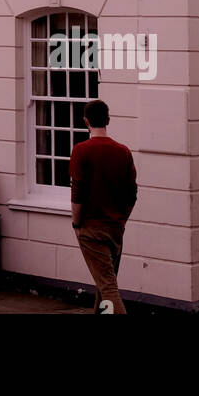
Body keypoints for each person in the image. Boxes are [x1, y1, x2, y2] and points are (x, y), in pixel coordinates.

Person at [70, 99, 138, 314]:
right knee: (104, 283)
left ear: (85, 121)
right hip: (116, 228)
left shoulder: (81, 151)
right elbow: (132, 194)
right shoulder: (123, 152)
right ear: (108, 119)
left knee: (108, 287)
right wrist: (122, 220)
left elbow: (77, 193)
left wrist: (76, 224)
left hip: (91, 228)